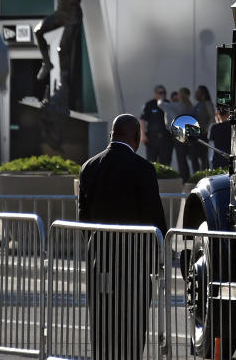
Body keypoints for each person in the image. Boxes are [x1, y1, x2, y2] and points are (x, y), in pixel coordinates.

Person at [78, 114, 169, 359]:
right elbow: (155, 219)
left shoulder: (89, 167)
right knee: (133, 322)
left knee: (102, 321)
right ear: (136, 138)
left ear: (111, 135)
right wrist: (157, 257)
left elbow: (83, 220)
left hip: (100, 260)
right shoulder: (143, 169)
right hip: (135, 262)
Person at [141, 85, 173, 166]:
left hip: (166, 137)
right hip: (152, 138)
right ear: (156, 94)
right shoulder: (150, 104)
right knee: (151, 162)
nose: (163, 94)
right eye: (160, 92)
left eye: (164, 92)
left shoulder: (168, 104)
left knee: (165, 162)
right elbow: (143, 120)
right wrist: (143, 135)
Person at [191, 84, 214, 174]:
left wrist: (207, 129)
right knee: (194, 157)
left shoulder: (207, 103)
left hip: (203, 135)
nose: (196, 94)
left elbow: (212, 117)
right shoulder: (197, 105)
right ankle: (196, 176)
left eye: (198, 92)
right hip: (195, 135)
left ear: (203, 94)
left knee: (204, 158)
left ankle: (204, 174)